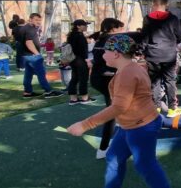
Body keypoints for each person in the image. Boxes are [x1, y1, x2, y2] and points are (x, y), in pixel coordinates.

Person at [66, 34, 170, 188]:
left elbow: (119, 107)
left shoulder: (128, 72)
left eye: (105, 51)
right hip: (131, 126)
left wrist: (84, 125)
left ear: (116, 54)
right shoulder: (130, 67)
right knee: (113, 158)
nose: (102, 54)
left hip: (141, 126)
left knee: (145, 165)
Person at [141, 0, 181, 118]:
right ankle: (171, 109)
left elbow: (144, 38)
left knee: (155, 82)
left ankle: (156, 108)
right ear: (167, 3)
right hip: (169, 55)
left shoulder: (147, 19)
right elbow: (179, 37)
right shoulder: (173, 19)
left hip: (153, 54)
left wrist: (142, 51)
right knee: (170, 81)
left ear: (153, 3)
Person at [89, 18, 125, 159]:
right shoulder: (112, 39)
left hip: (98, 79)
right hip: (106, 80)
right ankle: (103, 149)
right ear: (113, 28)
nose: (122, 31)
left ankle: (122, 128)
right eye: (120, 29)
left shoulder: (101, 38)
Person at [19, 13, 63, 98]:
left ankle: (27, 92)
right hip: (32, 56)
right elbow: (28, 42)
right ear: (30, 19)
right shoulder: (30, 29)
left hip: (26, 55)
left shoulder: (25, 28)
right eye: (36, 20)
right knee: (41, 73)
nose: (38, 22)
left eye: (39, 20)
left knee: (28, 74)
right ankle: (48, 91)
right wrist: (37, 54)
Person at [66, 19, 95, 105]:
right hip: (80, 59)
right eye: (84, 25)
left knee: (74, 78)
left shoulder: (71, 35)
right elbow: (82, 50)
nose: (86, 26)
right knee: (83, 78)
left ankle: (73, 98)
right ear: (78, 26)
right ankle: (84, 98)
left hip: (73, 59)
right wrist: (86, 60)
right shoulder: (79, 36)